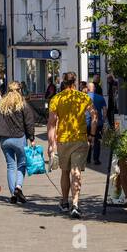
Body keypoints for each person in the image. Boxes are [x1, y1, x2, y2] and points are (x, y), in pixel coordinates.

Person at [47, 72, 94, 219]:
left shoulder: (57, 99)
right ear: (75, 82)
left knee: (65, 172)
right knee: (76, 172)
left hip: (63, 140)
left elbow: (52, 123)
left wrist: (51, 144)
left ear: (63, 82)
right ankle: (75, 204)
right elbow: (94, 116)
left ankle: (65, 202)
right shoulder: (83, 97)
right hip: (80, 139)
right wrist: (91, 135)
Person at [0, 82, 37, 204]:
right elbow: (29, 122)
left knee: (10, 166)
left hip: (4, 139)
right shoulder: (23, 104)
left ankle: (12, 194)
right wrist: (32, 138)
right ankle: (18, 187)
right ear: (20, 90)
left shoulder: (2, 105)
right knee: (21, 165)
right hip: (19, 138)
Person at [87, 80, 107, 165]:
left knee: (87, 139)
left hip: (86, 122)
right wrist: (103, 120)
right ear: (94, 88)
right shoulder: (100, 97)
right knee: (97, 141)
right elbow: (105, 110)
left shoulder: (84, 97)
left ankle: (87, 158)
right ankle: (96, 159)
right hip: (98, 122)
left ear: (87, 88)